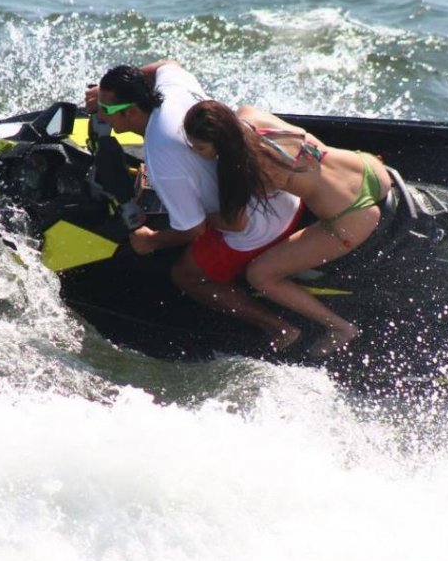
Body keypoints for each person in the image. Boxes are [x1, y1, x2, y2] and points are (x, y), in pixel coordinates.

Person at [87, 60, 302, 351]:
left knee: (186, 275)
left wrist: (150, 241)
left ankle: (279, 328)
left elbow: (193, 230)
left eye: (106, 109)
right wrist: (105, 92)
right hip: (284, 191)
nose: (99, 113)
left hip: (262, 222)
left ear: (133, 111)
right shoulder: (169, 89)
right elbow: (167, 63)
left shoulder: (161, 154)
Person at [183, 100, 393, 357]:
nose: (194, 151)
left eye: (200, 147)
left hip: (351, 219)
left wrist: (200, 218)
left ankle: (341, 328)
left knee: (260, 275)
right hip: (368, 169)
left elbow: (236, 223)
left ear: (221, 144)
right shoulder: (249, 114)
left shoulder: (247, 167)